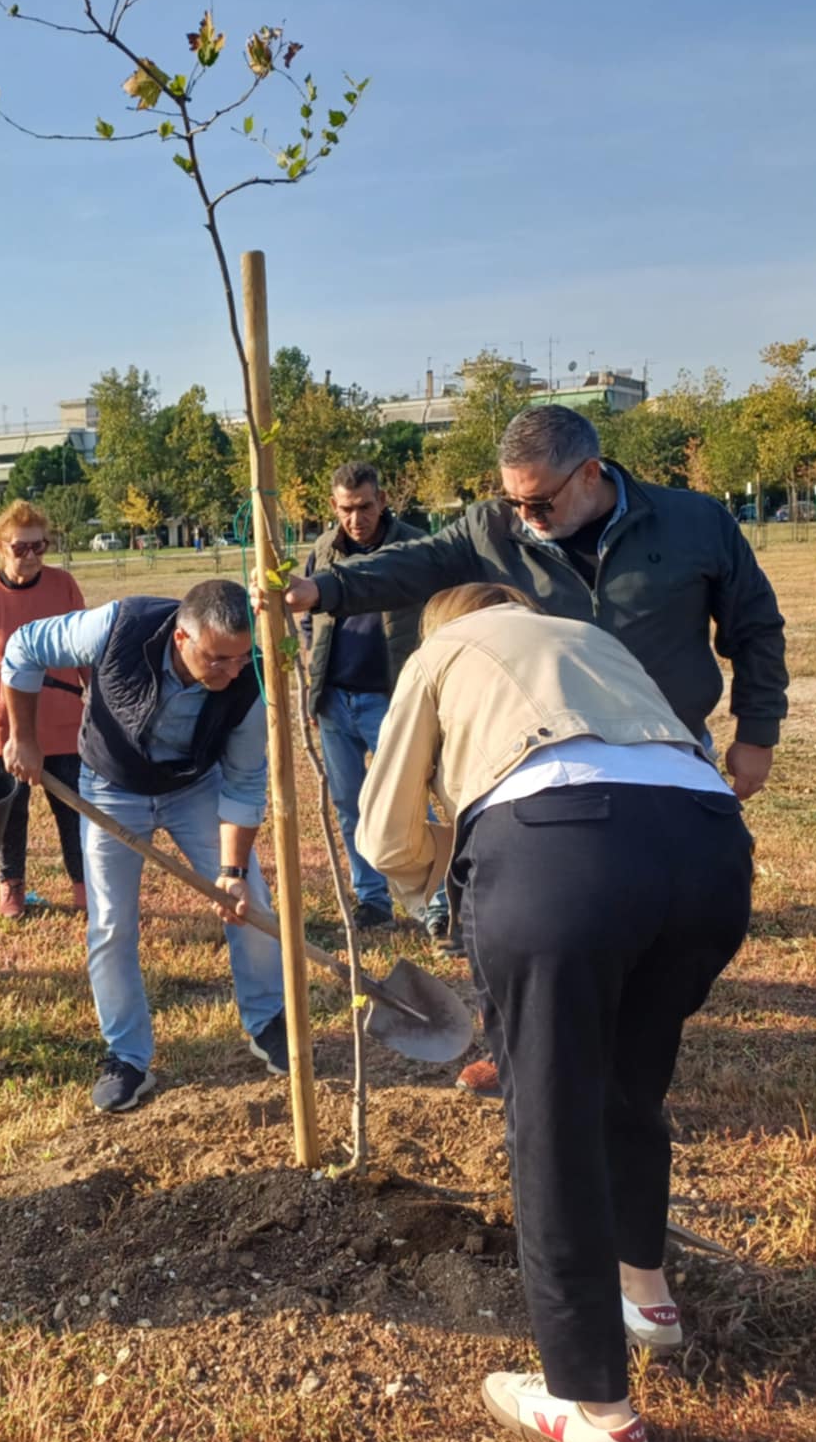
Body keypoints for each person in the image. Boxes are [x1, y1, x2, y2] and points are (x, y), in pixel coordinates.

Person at [267, 403, 786, 1096]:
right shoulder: (496, 526)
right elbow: (414, 564)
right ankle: (512, 1045)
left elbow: (754, 625)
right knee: (518, 908)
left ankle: (622, 1045)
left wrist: (757, 732)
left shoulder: (695, 523)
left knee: (649, 907)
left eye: (538, 502)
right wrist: (323, 590)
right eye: (514, 501)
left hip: (662, 742)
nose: (525, 516)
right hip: (541, 760)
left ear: (592, 473)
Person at [358, 581, 753, 1442]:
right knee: (626, 1088)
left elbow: (385, 833)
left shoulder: (441, 652)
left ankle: (592, 1406)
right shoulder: (589, 639)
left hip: (561, 853)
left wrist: (440, 901)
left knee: (552, 1126)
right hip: (709, 849)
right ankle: (647, 1301)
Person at [1, 580, 286, 1113]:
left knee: (253, 903)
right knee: (111, 922)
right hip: (112, 787)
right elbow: (23, 647)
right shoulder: (117, 627)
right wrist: (24, 736)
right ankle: (127, 1057)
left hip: (195, 787)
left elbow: (245, 784)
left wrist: (231, 870)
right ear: (181, 637)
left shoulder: (251, 683)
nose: (232, 671)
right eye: (218, 659)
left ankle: (268, 1022)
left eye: (242, 658)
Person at [298, 459, 449, 942]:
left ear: (383, 501)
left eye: (364, 506)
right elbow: (308, 621)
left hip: (392, 700)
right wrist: (315, 688)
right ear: (333, 506)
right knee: (349, 806)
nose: (355, 518)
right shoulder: (322, 552)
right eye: (345, 509)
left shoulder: (413, 550)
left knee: (410, 804)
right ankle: (373, 901)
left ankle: (433, 904)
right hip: (334, 701)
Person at [0, 499, 88, 919]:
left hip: (61, 716)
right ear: (0, 546)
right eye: (20, 547)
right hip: (1, 722)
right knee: (10, 812)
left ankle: (84, 887)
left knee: (75, 809)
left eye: (39, 546)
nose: (31, 556)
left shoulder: (63, 585)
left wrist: (98, 701)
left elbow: (84, 647)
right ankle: (12, 887)